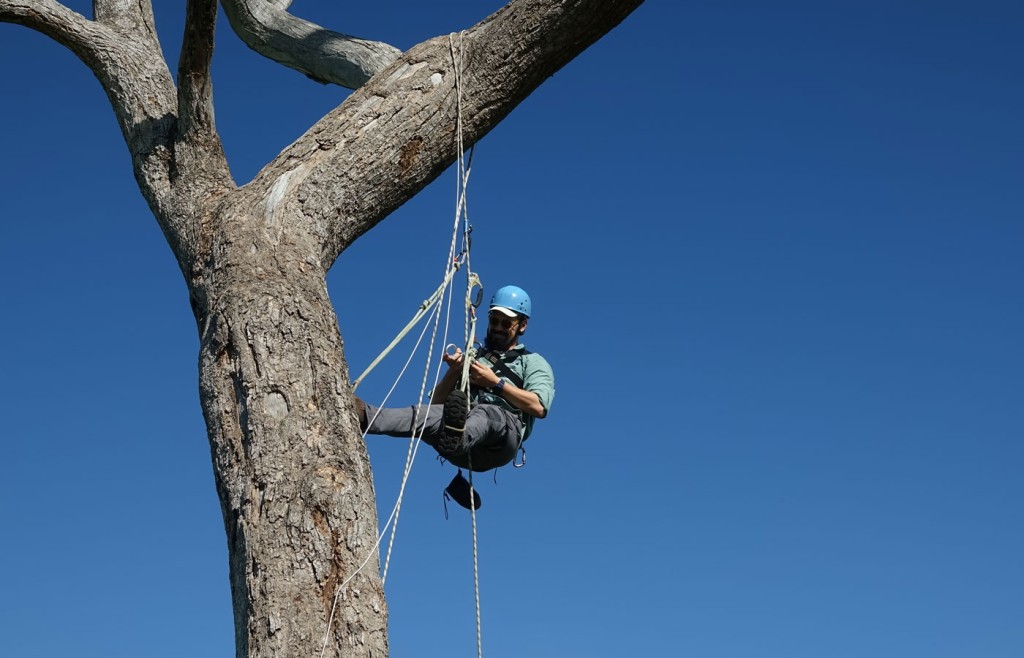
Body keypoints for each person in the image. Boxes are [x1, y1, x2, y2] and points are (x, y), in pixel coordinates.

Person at [355, 285, 555, 472]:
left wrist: (495, 382)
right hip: (459, 443)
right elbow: (436, 404)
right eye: (494, 321)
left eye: (506, 323)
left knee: (488, 413)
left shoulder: (532, 362)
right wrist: (455, 371)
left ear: (522, 326)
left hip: (500, 439)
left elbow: (538, 407)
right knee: (425, 414)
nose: (498, 327)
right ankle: (363, 417)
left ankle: (459, 435)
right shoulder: (475, 357)